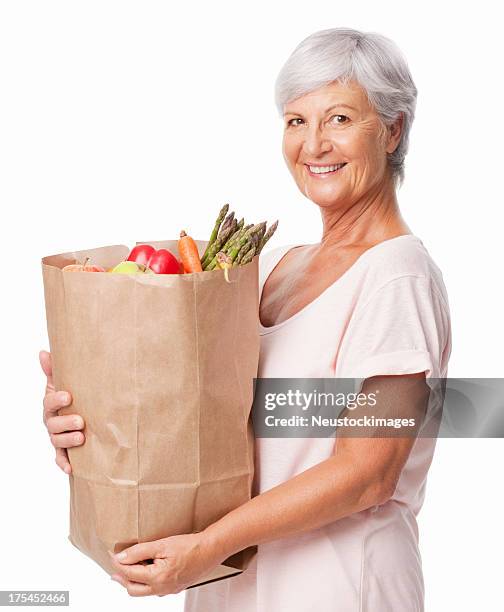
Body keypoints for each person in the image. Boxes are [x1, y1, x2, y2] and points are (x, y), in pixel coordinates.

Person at [40, 27, 451, 611]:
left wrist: (210, 544)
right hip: (227, 588)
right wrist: (90, 422)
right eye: (295, 121)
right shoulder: (270, 267)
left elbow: (368, 474)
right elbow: (196, 420)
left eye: (338, 119)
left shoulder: (397, 274)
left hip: (335, 590)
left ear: (392, 129)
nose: (314, 145)